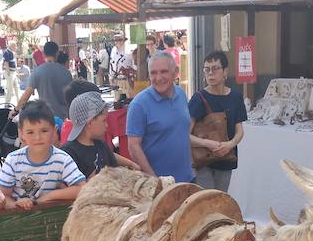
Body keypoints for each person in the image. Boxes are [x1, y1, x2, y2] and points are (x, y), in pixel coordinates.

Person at [0, 101, 84, 209]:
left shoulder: (62, 159)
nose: (37, 137)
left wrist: (49, 196)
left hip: (51, 218)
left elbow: (82, 188)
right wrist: (16, 205)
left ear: (54, 131)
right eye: (30, 132)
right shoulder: (12, 160)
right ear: (21, 134)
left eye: (44, 131)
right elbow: (1, 197)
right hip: (18, 219)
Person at [126, 51, 193, 182]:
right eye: (153, 73)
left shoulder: (181, 94)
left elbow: (181, 133)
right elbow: (133, 146)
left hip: (187, 179)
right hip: (158, 186)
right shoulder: (139, 105)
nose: (158, 77)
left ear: (175, 72)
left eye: (164, 71)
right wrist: (155, 180)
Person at [188, 50, 248, 192]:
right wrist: (207, 143)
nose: (210, 73)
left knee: (221, 199)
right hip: (203, 160)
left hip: (226, 158)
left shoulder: (236, 97)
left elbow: (239, 130)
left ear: (225, 71)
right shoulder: (198, 98)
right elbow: (185, 134)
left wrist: (230, 144)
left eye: (215, 68)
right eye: (207, 69)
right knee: (207, 200)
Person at [61, 91, 139, 178]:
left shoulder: (100, 145)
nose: (107, 125)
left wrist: (131, 164)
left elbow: (112, 161)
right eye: (104, 121)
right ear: (89, 123)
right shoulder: (69, 154)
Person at [11, 41, 73, 120]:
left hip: (46, 117)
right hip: (64, 118)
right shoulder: (66, 73)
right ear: (57, 53)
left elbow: (25, 97)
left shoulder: (37, 71)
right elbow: (70, 96)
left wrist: (15, 110)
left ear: (43, 54)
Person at [109, 32, 135, 100]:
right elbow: (111, 63)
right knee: (117, 101)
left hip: (127, 80)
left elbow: (134, 64)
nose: (117, 42)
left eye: (120, 40)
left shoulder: (129, 50)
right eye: (116, 40)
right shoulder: (113, 50)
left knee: (129, 99)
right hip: (116, 79)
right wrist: (111, 77)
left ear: (123, 40)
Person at [2, 41, 22, 106]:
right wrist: (8, 72)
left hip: (13, 72)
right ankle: (7, 103)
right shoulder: (6, 52)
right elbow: (6, 63)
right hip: (9, 72)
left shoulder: (13, 53)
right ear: (11, 46)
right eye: (15, 46)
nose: (15, 47)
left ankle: (19, 102)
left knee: (16, 87)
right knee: (10, 88)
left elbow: (14, 62)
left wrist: (17, 71)